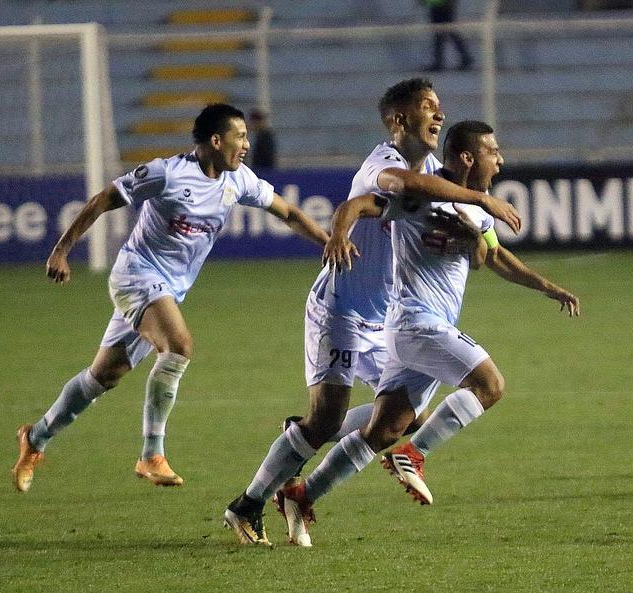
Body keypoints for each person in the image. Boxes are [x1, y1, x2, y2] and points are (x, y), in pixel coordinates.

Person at [222, 78, 521, 546]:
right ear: (399, 120)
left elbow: (459, 204)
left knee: (403, 420)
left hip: (387, 318)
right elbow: (400, 188)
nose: (438, 115)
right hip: (340, 308)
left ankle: (299, 451)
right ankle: (248, 504)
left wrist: (476, 230)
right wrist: (482, 199)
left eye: (440, 107)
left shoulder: (437, 172)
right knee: (325, 419)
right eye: (427, 107)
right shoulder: (385, 163)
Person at [275, 120, 580, 545]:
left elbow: (491, 256)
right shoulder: (423, 193)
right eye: (494, 151)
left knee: (385, 428)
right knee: (490, 385)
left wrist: (548, 287)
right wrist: (339, 236)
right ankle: (413, 457)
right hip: (414, 322)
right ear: (469, 157)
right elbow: (359, 205)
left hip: (425, 327)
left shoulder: (474, 207)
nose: (502, 159)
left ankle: (302, 496)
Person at [11, 103, 329, 493]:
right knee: (179, 347)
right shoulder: (167, 173)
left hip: (169, 289)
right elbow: (102, 200)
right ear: (216, 140)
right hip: (136, 275)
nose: (246, 144)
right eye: (240, 136)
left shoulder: (239, 180)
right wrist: (61, 250)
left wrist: (329, 244)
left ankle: (35, 438)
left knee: (102, 377)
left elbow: (289, 213)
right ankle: (151, 454)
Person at [422, 0, 473, 72]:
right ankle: (465, 58)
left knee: (443, 32)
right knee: (445, 32)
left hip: (442, 5)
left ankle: (439, 61)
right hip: (440, 4)